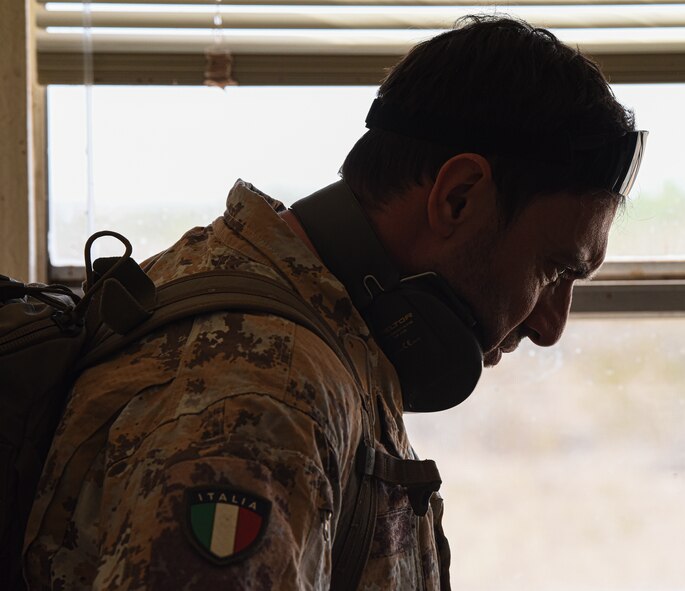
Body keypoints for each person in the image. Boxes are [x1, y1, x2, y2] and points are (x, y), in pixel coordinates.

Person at [23, 15, 643, 590]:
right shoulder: (259, 394)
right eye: (553, 269)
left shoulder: (324, 333)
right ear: (458, 197)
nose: (552, 326)